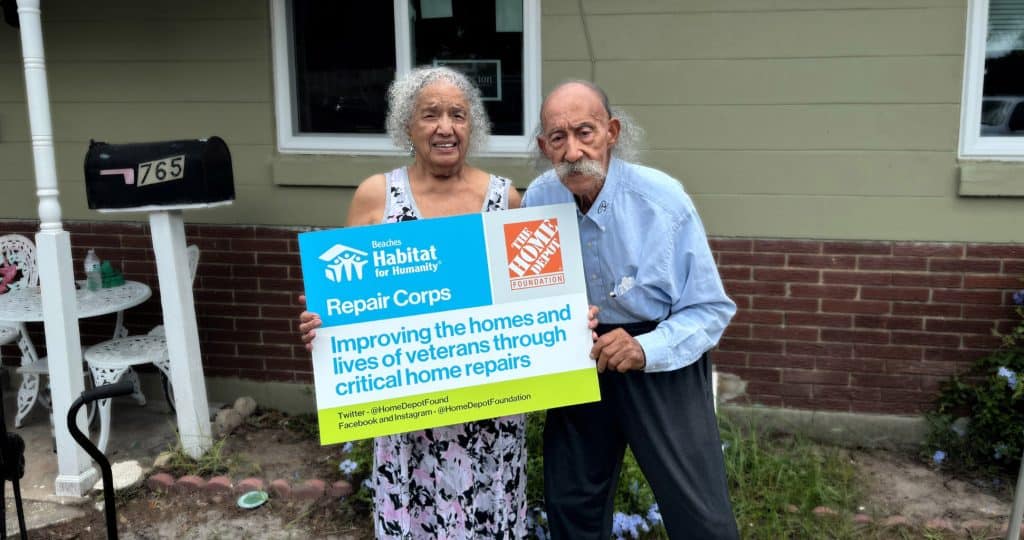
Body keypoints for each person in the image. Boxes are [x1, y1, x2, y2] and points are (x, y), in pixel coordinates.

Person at [298, 66, 527, 539]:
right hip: (408, 415)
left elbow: (529, 297)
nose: (445, 127)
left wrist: (565, 320)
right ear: (407, 125)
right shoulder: (375, 196)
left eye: (458, 115)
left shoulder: (507, 199)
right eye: (430, 115)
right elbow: (347, 302)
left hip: (490, 413)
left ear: (473, 127)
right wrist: (324, 325)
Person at [522, 80, 739, 539]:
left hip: (659, 354)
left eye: (586, 131)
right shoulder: (539, 199)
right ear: (544, 146)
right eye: (558, 138)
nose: (572, 149)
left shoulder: (663, 201)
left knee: (698, 508)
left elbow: (709, 309)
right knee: (571, 503)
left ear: (612, 131)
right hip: (579, 354)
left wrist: (644, 348)